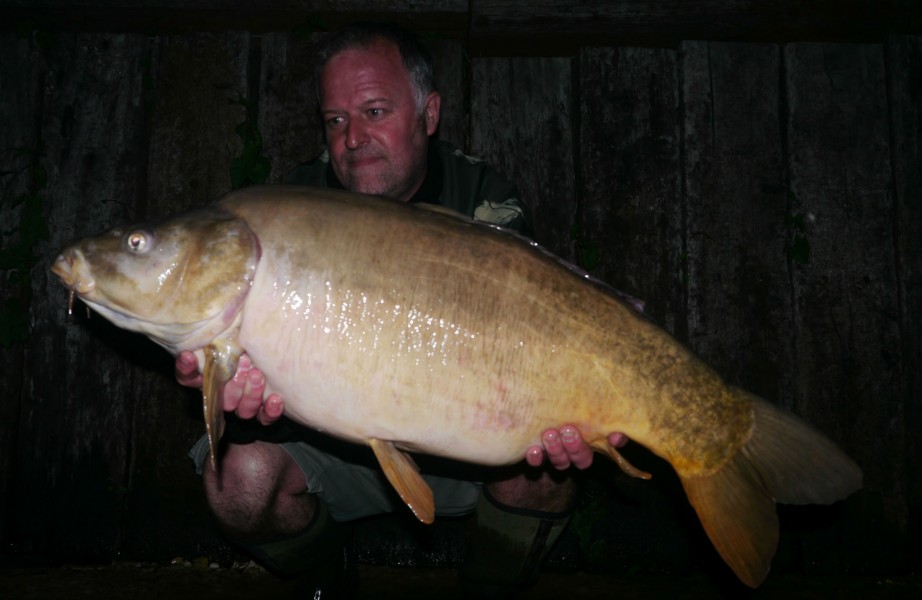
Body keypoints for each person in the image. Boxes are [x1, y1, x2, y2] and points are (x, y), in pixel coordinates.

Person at [175, 22, 627, 599]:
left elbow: (531, 345)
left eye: (374, 111)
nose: (353, 138)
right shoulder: (295, 206)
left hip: (465, 438)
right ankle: (326, 582)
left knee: (549, 470)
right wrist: (239, 394)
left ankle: (490, 586)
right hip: (339, 440)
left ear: (428, 114)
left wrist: (569, 413)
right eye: (336, 120)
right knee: (236, 482)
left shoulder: (483, 197)